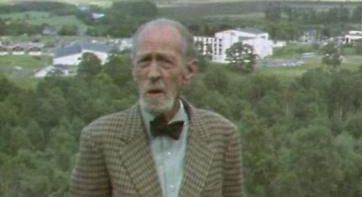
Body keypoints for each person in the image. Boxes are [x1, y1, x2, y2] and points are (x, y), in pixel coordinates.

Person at [70, 18, 244, 197]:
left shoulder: (222, 134)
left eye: (165, 62)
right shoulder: (100, 138)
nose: (153, 74)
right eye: (144, 62)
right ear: (133, 71)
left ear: (189, 71)